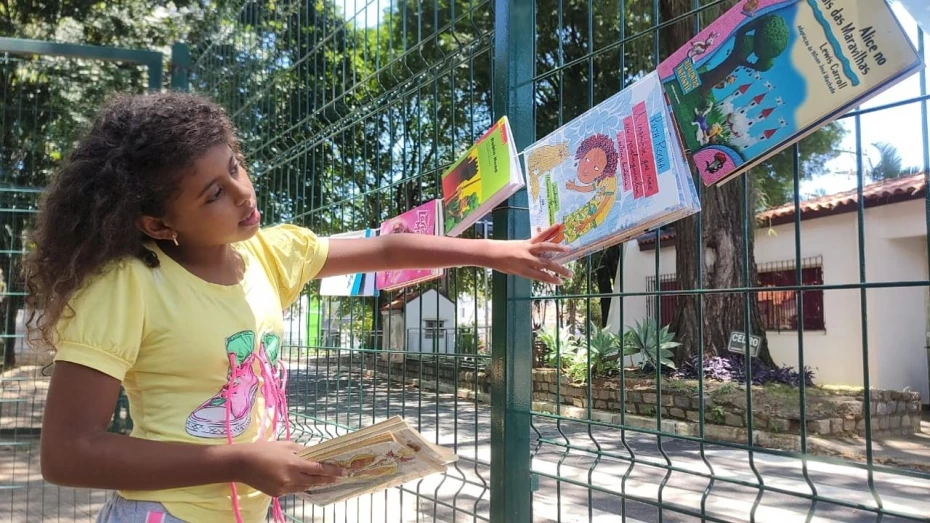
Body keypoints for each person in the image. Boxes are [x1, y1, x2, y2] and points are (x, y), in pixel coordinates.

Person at [27, 91, 572, 523]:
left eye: (235, 167)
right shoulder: (126, 286)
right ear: (158, 224)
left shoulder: (267, 253)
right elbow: (68, 453)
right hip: (166, 514)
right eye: (212, 193)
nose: (242, 193)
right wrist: (241, 460)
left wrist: (494, 253)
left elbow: (384, 248)